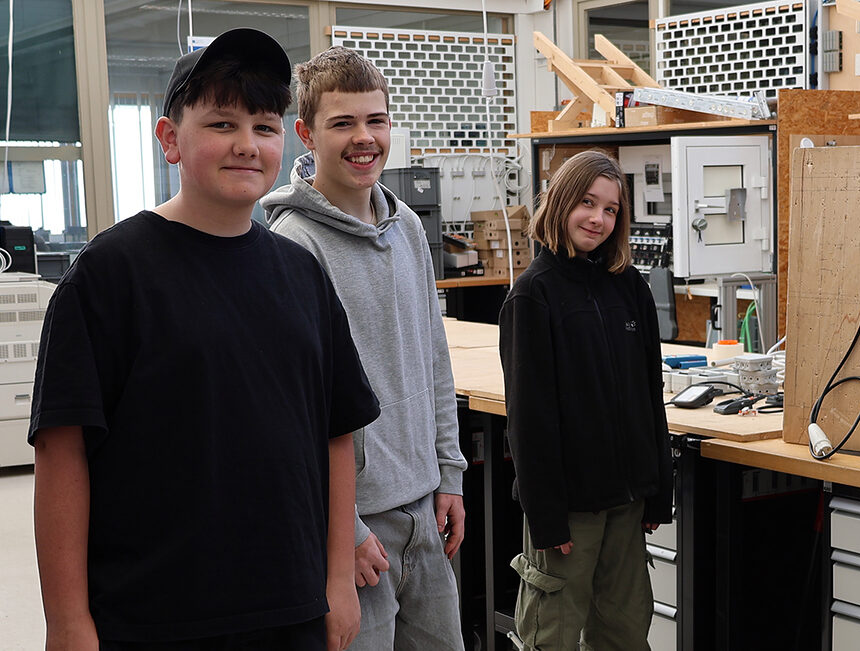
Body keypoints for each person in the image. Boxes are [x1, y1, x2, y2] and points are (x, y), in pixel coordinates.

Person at [30, 29, 381, 651]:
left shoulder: (300, 274)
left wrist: (336, 579)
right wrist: (68, 621)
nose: (246, 145)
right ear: (170, 139)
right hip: (154, 616)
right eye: (222, 124)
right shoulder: (111, 276)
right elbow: (63, 454)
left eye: (264, 127)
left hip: (291, 606)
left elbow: (336, 431)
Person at [262, 46, 468, 651]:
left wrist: (449, 473)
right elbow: (293, 410)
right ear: (305, 133)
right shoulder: (292, 245)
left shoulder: (406, 225)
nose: (364, 138)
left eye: (375, 121)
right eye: (342, 122)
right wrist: (342, 529)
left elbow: (432, 356)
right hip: (354, 530)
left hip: (425, 509)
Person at [498, 150, 673, 650]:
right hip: (568, 512)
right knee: (549, 636)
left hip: (627, 503)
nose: (598, 218)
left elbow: (649, 396)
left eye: (612, 209)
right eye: (587, 203)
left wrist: (659, 486)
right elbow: (528, 422)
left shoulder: (631, 288)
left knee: (623, 633)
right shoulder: (534, 295)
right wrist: (546, 515)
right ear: (559, 203)